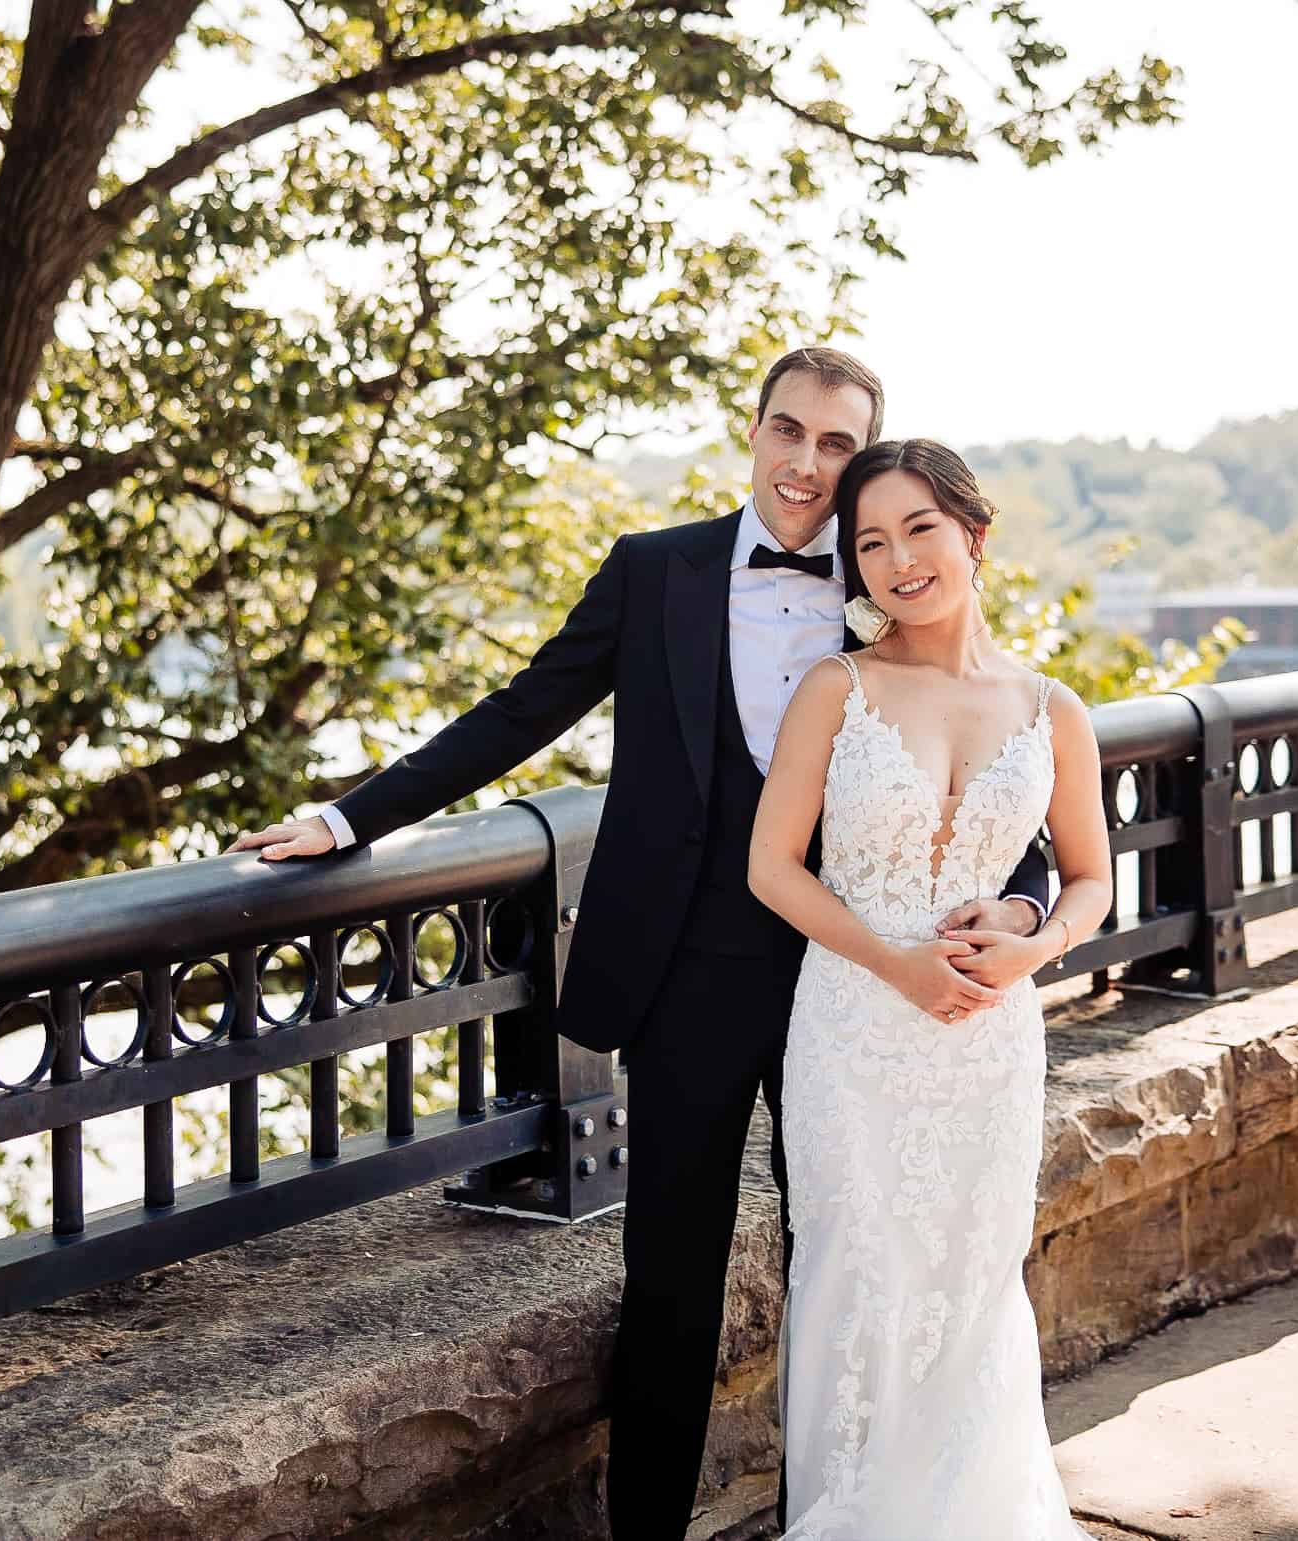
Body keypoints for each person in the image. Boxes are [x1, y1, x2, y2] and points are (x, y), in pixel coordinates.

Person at [231, 350, 1055, 1539]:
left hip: (861, 983)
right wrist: (348, 815)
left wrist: (1024, 908)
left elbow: (990, 777)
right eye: (788, 431)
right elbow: (521, 711)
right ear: (753, 429)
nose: (805, 464)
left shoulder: (895, 576)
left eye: (835, 444)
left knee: (857, 1269)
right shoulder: (655, 569)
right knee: (672, 1276)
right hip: (689, 970)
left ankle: (838, 1514)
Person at [746, 438, 1111, 1538]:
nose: (898, 558)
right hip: (854, 1031)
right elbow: (771, 868)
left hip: (986, 1044)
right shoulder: (836, 686)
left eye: (918, 528)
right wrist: (897, 962)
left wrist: (1030, 942)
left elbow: (1091, 879)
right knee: (858, 1279)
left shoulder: (1053, 709)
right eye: (869, 542)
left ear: (972, 535)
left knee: (970, 1282)